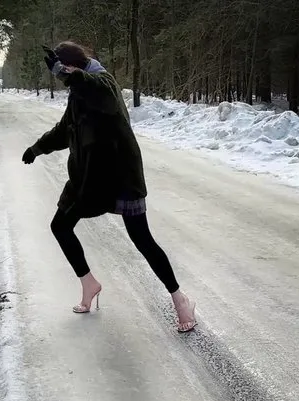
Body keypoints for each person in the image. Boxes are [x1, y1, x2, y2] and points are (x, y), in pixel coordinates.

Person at [21, 41, 197, 333]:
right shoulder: (78, 92)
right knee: (60, 226)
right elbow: (66, 130)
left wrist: (66, 74)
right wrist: (36, 148)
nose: (65, 78)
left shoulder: (104, 84)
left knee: (142, 240)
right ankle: (89, 284)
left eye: (67, 71)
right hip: (90, 178)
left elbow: (94, 89)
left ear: (75, 65)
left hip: (120, 177)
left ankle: (181, 300)